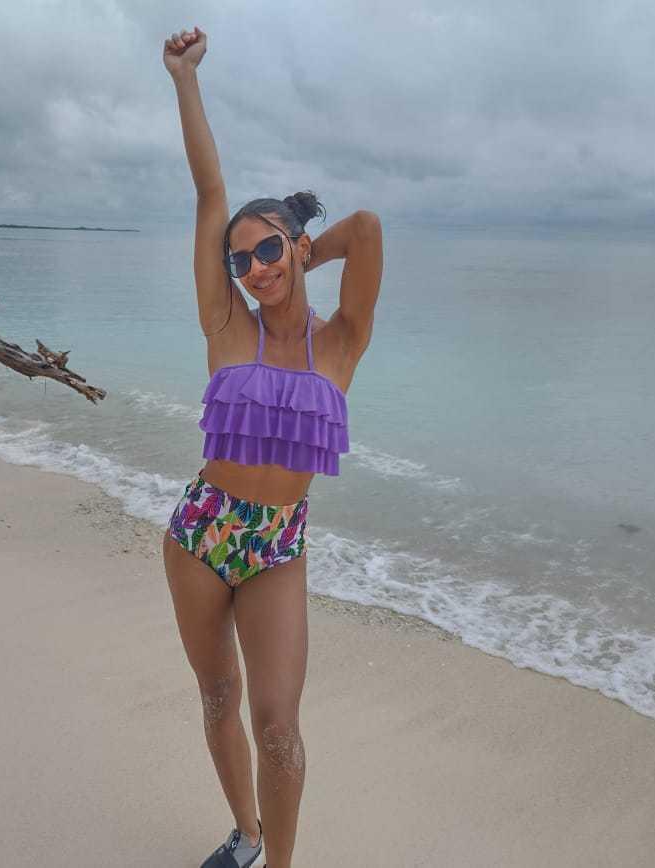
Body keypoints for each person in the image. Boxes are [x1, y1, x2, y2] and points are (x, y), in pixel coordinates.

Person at [161, 26, 382, 868]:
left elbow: (366, 228)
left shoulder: (341, 344)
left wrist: (301, 252)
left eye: (268, 249)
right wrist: (185, 79)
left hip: (276, 545)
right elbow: (208, 190)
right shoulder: (224, 322)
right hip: (201, 531)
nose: (254, 267)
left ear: (294, 246)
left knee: (280, 728)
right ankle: (247, 837)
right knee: (218, 695)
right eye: (242, 258)